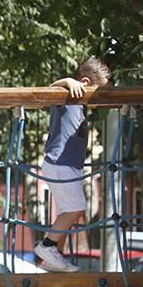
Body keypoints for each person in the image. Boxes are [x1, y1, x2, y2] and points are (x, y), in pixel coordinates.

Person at [34, 56, 112, 272]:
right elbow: (49, 90)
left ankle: (51, 258)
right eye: (99, 91)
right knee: (76, 208)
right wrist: (67, 81)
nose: (99, 98)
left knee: (68, 212)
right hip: (60, 163)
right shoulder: (69, 99)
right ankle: (47, 247)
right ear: (84, 84)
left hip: (66, 166)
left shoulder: (79, 105)